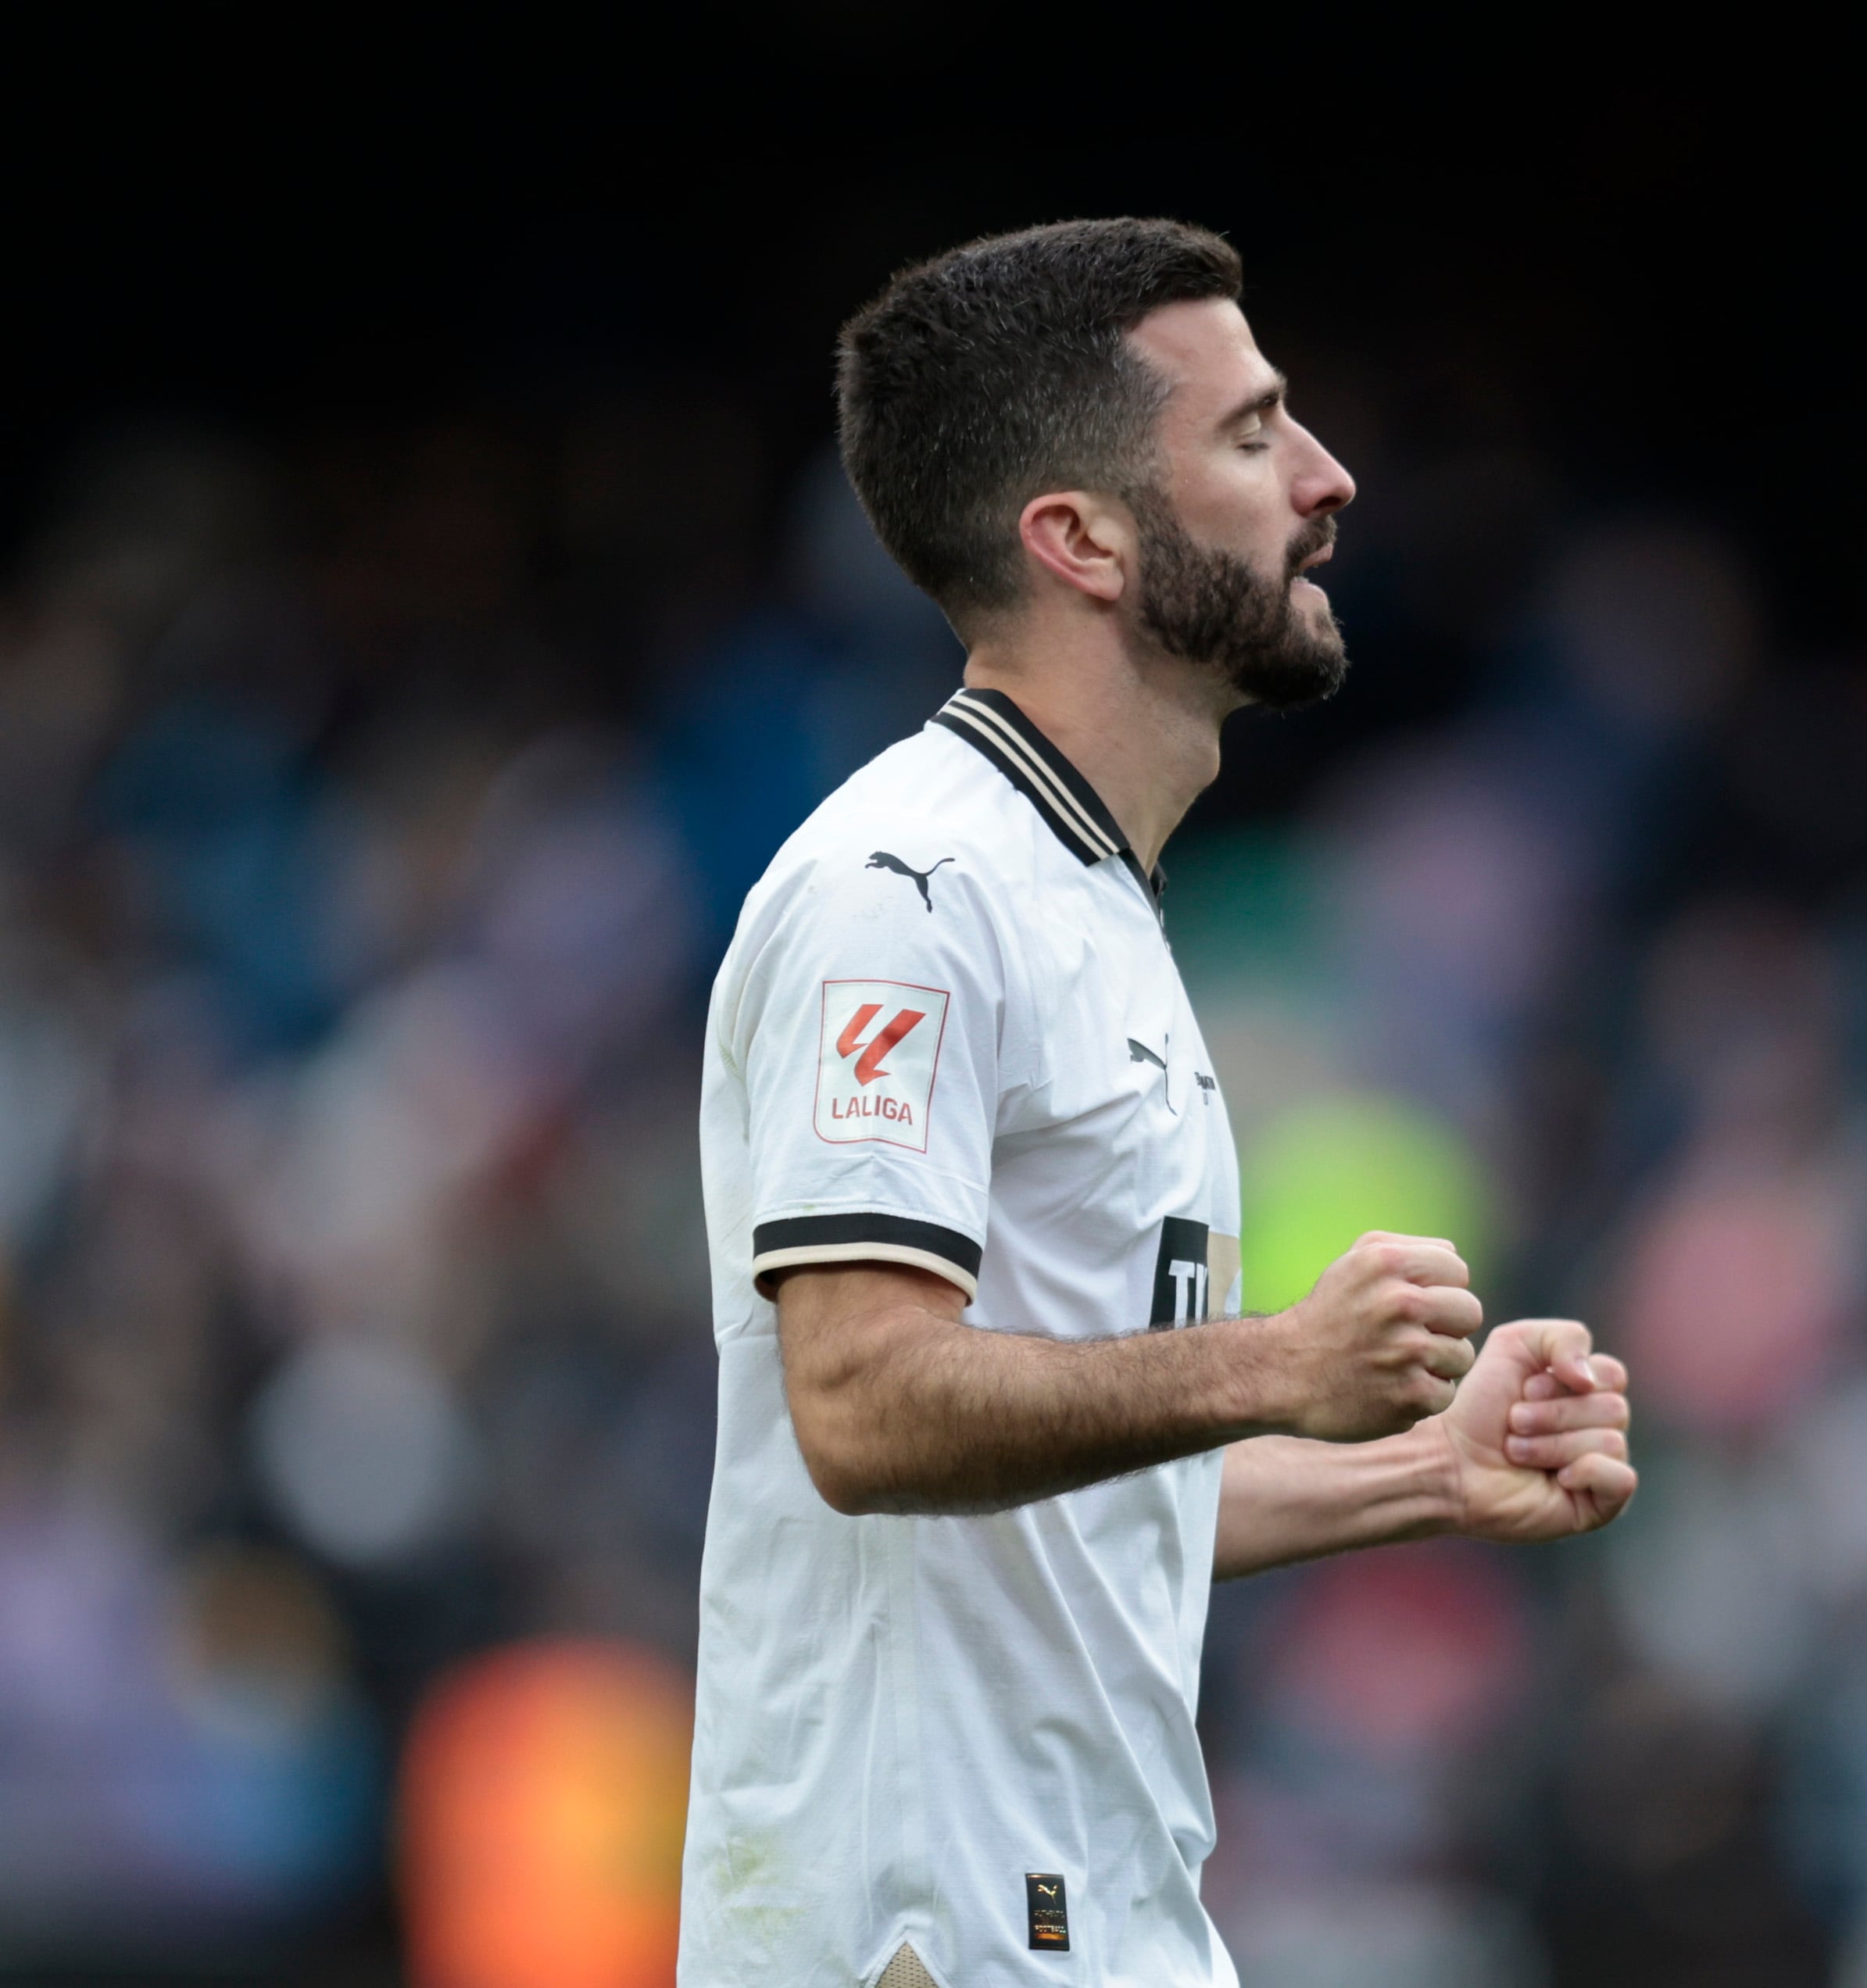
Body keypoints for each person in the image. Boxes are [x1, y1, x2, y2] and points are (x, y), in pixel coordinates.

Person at [677, 218, 1637, 1988]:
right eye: (1254, 435)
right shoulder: (910, 888)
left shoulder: (1085, 901)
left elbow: (1078, 1514)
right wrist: (1280, 1363)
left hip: (1091, 1917)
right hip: (933, 1930)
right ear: (1081, 539)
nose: (1329, 481)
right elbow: (862, 1404)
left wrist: (1429, 1467)